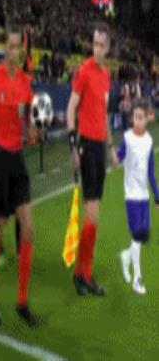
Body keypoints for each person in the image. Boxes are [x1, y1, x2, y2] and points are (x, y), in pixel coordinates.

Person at [0, 27, 39, 327]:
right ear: (5, 49)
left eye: (19, 47)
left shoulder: (26, 82)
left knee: (29, 228)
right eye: (11, 46)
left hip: (17, 159)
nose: (16, 52)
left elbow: (31, 121)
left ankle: (22, 301)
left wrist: (35, 130)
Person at [66, 24, 112, 296]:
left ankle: (82, 273)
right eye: (94, 43)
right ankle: (83, 274)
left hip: (100, 148)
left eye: (101, 45)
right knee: (92, 212)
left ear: (107, 48)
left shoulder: (106, 75)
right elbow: (71, 109)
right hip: (86, 145)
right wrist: (73, 145)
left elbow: (104, 114)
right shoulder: (83, 71)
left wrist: (111, 146)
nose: (97, 49)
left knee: (94, 213)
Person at [111, 99, 159, 295]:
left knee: (143, 237)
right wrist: (114, 157)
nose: (138, 121)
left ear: (148, 118)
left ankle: (126, 256)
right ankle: (137, 280)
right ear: (132, 118)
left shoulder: (149, 141)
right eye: (135, 117)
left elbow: (151, 172)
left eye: (141, 117)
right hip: (131, 195)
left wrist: (156, 196)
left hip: (144, 196)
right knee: (138, 235)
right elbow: (118, 159)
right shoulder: (127, 138)